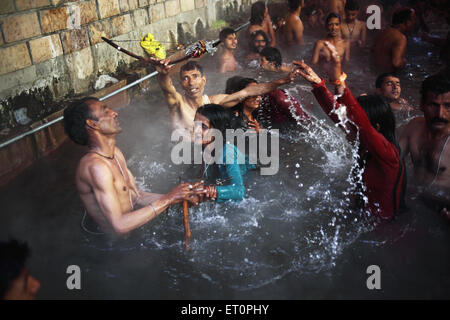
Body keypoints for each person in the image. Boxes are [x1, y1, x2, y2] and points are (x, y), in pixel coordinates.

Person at [295, 42, 406, 219]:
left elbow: (362, 124)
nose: (346, 126)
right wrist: (319, 86)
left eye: (353, 123)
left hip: (382, 230)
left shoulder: (389, 154)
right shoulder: (365, 144)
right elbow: (337, 114)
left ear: (376, 129)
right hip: (362, 219)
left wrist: (340, 82)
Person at [63, 97, 203, 236]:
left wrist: (180, 197)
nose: (114, 113)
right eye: (105, 111)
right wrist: (168, 199)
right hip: (113, 248)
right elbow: (119, 225)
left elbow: (136, 197)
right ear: (93, 124)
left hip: (131, 233)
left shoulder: (115, 153)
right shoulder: (95, 167)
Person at [156, 60, 300, 138]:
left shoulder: (215, 102)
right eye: (185, 79)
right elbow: (167, 90)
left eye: (195, 77)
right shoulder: (178, 104)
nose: (191, 83)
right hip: (183, 157)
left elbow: (248, 91)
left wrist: (283, 81)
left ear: (203, 80)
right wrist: (163, 74)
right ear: (181, 84)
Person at [398, 73, 450, 220]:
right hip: (414, 204)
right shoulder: (414, 126)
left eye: (448, 106)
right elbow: (391, 161)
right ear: (421, 104)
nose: (441, 114)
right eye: (433, 105)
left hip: (442, 213)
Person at [194, 104, 257, 202]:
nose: (196, 130)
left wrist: (210, 190)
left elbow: (239, 191)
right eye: (195, 124)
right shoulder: (202, 147)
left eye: (203, 126)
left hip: (251, 179)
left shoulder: (227, 153)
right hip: (224, 179)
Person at [225, 76, 309, 130]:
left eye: (258, 93)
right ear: (242, 96)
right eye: (252, 93)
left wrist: (261, 132)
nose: (257, 97)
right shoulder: (235, 117)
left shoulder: (260, 113)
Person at [373, 7, 417, 73]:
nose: (414, 23)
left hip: (376, 72)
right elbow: (396, 63)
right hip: (389, 75)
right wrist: (405, 63)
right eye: (413, 20)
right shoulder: (400, 38)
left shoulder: (382, 32)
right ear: (406, 22)